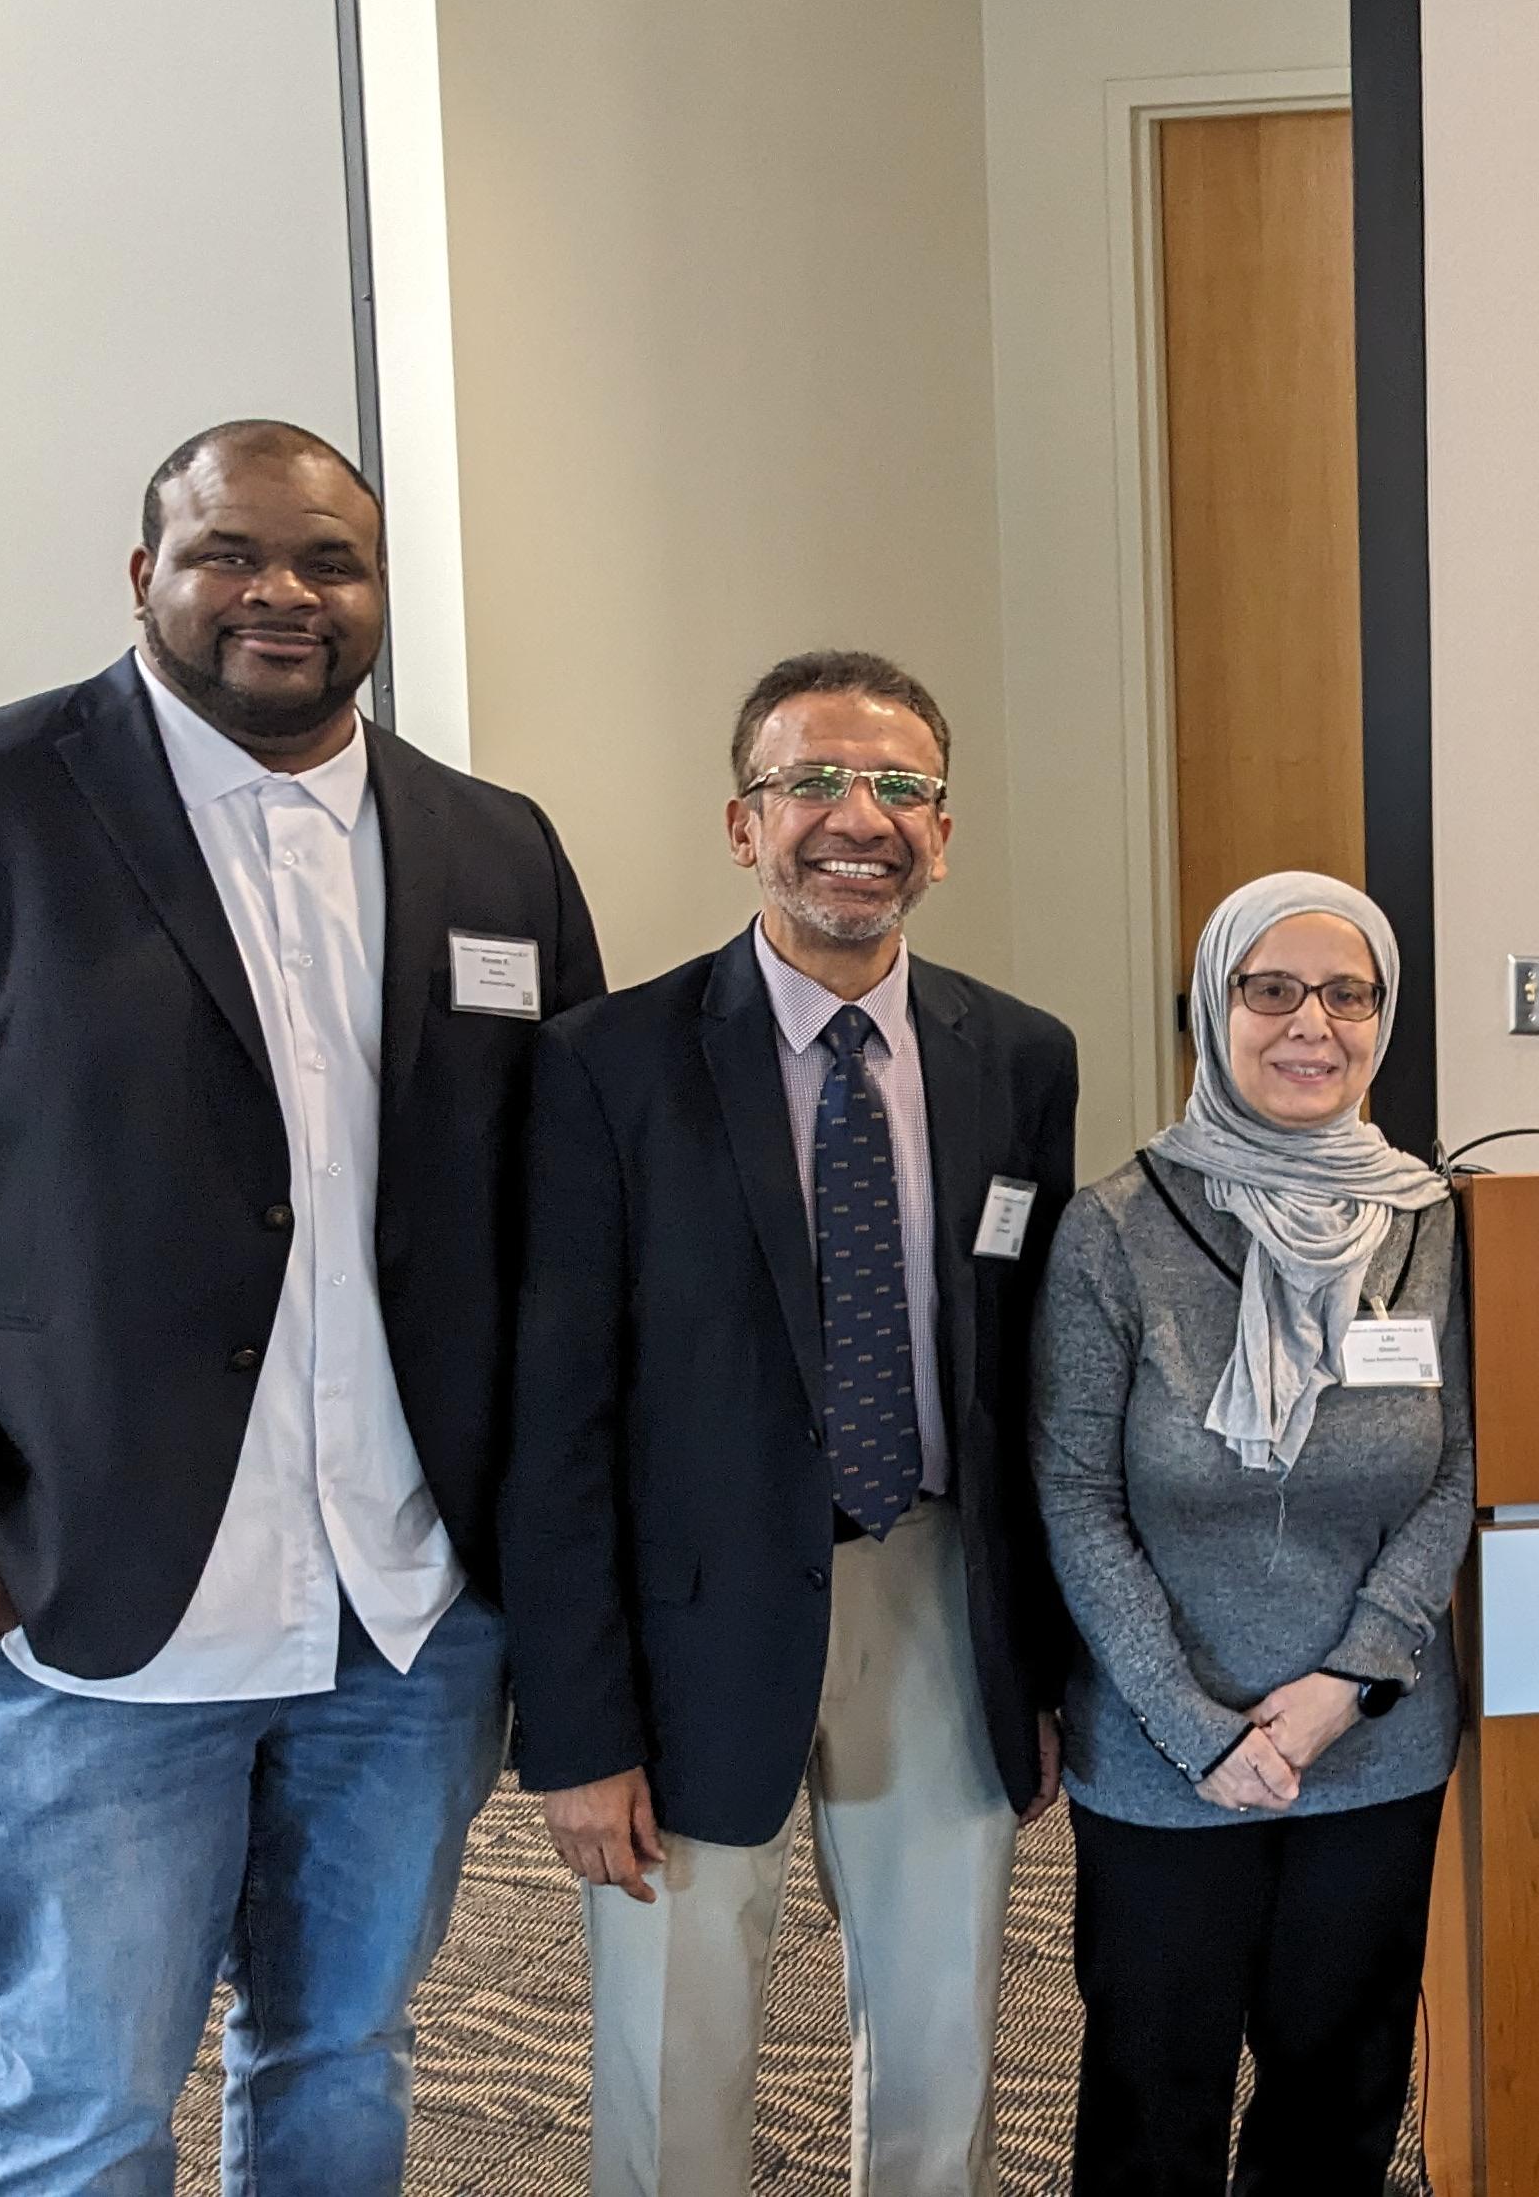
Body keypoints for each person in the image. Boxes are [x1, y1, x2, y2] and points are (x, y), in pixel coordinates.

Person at [0, 420, 602, 2189]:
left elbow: (567, 1210)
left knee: (343, 2051)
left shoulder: (494, 848)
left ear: (377, 591)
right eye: (230, 556)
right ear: (148, 578)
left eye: (328, 562)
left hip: (408, 1603)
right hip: (95, 1583)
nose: (281, 595)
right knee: (83, 2101)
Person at [499, 649, 1076, 2194]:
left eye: (898, 787)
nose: (856, 817)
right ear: (742, 823)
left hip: (939, 1586)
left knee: (949, 2033)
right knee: (674, 2044)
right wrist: (576, 1728)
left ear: (943, 834)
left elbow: (1023, 1376)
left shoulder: (1020, 1057)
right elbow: (554, 1418)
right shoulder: (603, 1066)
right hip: (687, 1614)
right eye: (811, 780)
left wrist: (1040, 1657)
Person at [1034, 871, 1472, 2197]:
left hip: (1375, 1740)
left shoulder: (1433, 1218)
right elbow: (1075, 1494)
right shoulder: (1114, 1229)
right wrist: (1201, 1726)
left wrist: (1348, 1685)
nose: (1311, 1026)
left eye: (1347, 995)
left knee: (1342, 2090)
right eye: (1268, 989)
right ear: (1210, 1013)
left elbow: (1456, 1470)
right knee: (1152, 2098)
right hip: (1169, 1755)